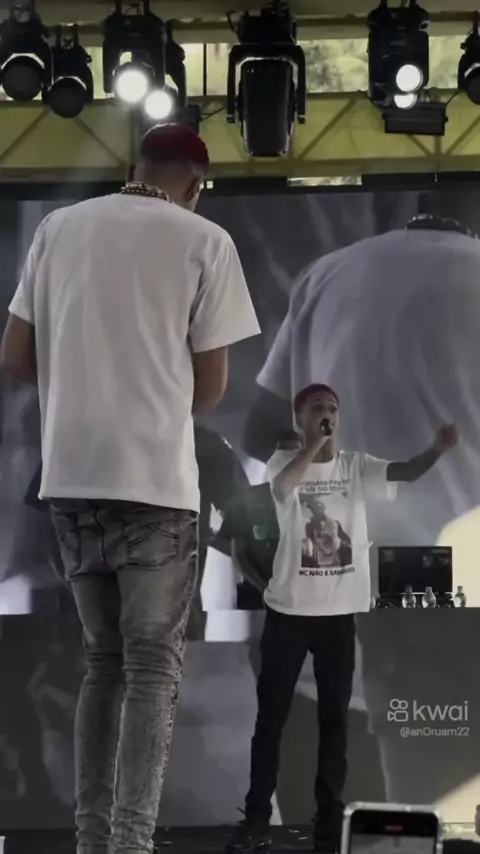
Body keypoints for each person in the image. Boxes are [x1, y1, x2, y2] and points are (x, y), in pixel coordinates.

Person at [1, 123, 260, 854]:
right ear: (198, 186)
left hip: (72, 480)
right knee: (151, 669)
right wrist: (149, 399)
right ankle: (131, 844)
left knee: (102, 663)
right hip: (153, 483)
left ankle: (92, 840)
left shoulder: (58, 227)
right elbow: (211, 389)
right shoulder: (205, 241)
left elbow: (15, 353)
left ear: (133, 165)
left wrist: (82, 389)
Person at [228, 384, 457, 854]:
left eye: (333, 408)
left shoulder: (355, 465)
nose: (327, 414)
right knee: (271, 722)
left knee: (335, 724)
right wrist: (312, 446)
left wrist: (436, 449)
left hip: (337, 618)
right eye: (317, 408)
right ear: (299, 418)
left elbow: (406, 472)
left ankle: (329, 821)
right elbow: (283, 489)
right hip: (288, 614)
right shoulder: (283, 462)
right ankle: (255, 820)